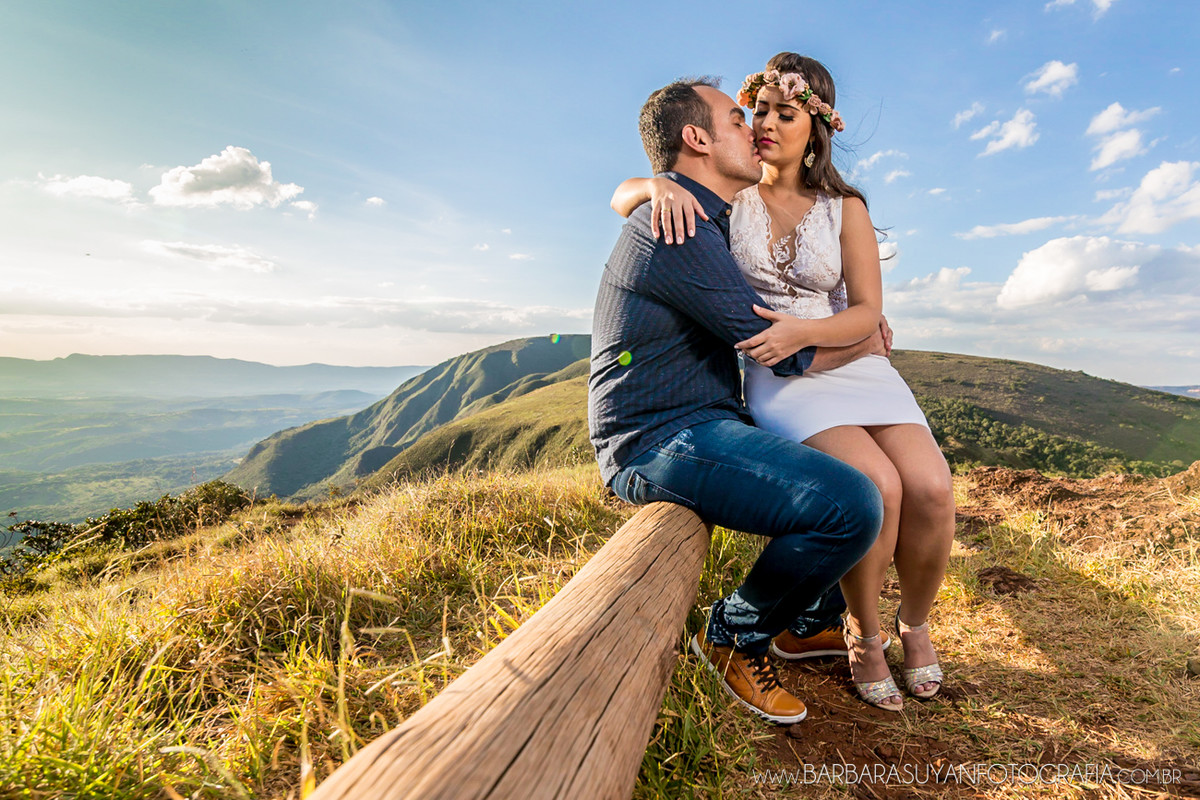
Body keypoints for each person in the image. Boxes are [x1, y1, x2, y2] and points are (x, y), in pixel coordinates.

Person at [611, 53, 956, 711]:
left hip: (849, 358)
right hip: (782, 373)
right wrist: (647, 186)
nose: (765, 123)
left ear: (814, 128)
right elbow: (634, 196)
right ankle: (863, 633)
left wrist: (824, 334)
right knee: (877, 486)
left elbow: (865, 311)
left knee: (932, 486)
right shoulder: (727, 196)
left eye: (782, 113)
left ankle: (916, 624)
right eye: (757, 111)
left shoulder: (844, 206)